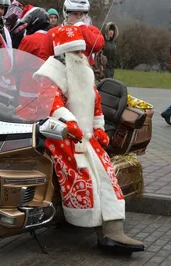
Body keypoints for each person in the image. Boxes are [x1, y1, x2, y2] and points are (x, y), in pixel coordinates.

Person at [33, 25, 145, 252]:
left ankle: (114, 230)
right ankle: (94, 227)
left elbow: (95, 103)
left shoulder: (85, 71)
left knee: (106, 173)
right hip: (61, 136)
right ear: (64, 53)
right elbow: (50, 102)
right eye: (76, 52)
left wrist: (99, 127)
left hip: (85, 136)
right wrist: (68, 122)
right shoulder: (51, 73)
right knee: (85, 176)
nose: (81, 56)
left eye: (82, 51)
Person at [38, 0, 104, 66]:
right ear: (66, 14)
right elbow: (44, 56)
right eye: (75, 14)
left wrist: (81, 27)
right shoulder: (53, 32)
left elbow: (97, 45)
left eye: (81, 14)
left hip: (84, 73)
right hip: (60, 73)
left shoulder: (89, 29)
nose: (79, 17)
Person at [17, 7, 50, 106]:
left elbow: (18, 62)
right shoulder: (53, 38)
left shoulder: (29, 40)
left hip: (28, 84)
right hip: (48, 84)